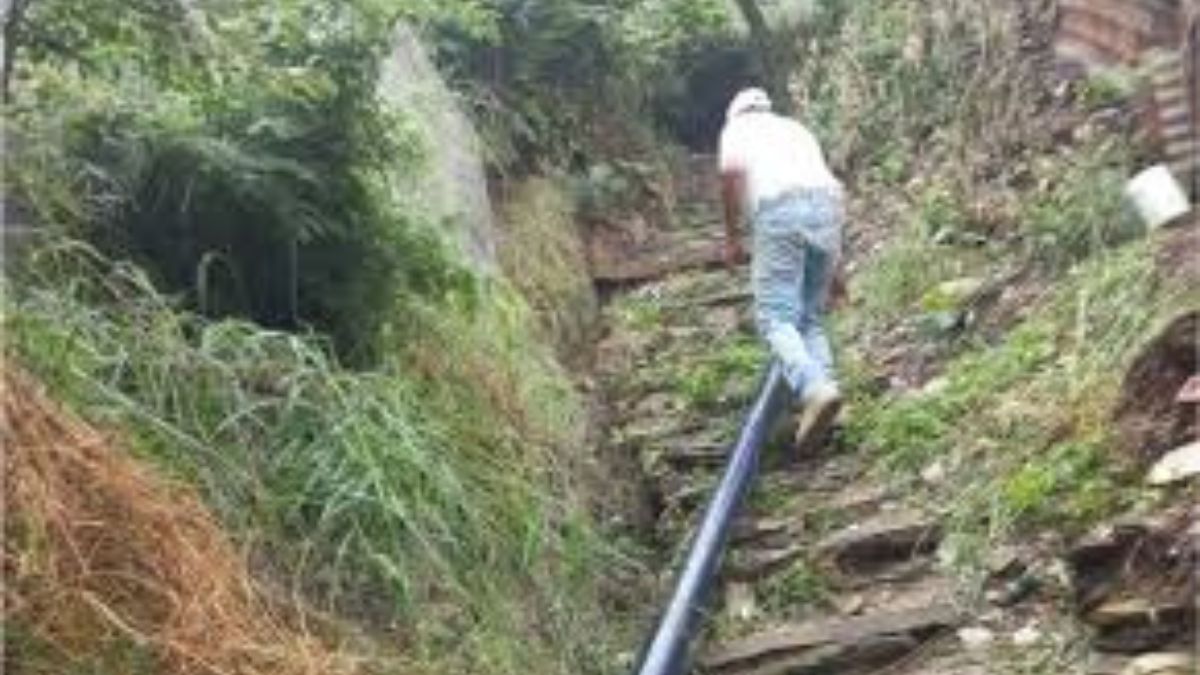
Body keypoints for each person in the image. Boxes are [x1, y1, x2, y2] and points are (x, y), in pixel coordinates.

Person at [718, 87, 846, 455]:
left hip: (780, 210)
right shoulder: (795, 129)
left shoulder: (737, 130)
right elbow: (829, 187)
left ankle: (814, 389)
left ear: (736, 114)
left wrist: (731, 237)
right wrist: (836, 267)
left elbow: (730, 176)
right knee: (810, 318)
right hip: (828, 208)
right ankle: (830, 404)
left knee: (775, 318)